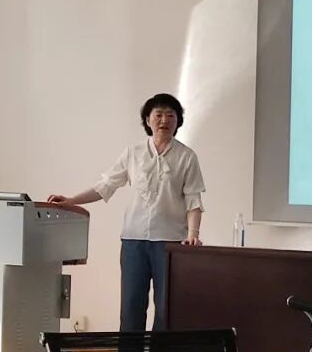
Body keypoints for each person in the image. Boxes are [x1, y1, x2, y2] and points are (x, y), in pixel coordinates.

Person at [48, 93, 205, 335]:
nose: (164, 120)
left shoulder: (187, 157)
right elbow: (106, 185)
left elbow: (193, 200)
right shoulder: (134, 152)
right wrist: (71, 200)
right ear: (148, 119)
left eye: (170, 115)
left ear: (178, 121)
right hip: (133, 240)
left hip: (171, 242)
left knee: (167, 309)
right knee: (131, 306)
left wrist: (193, 233)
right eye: (158, 114)